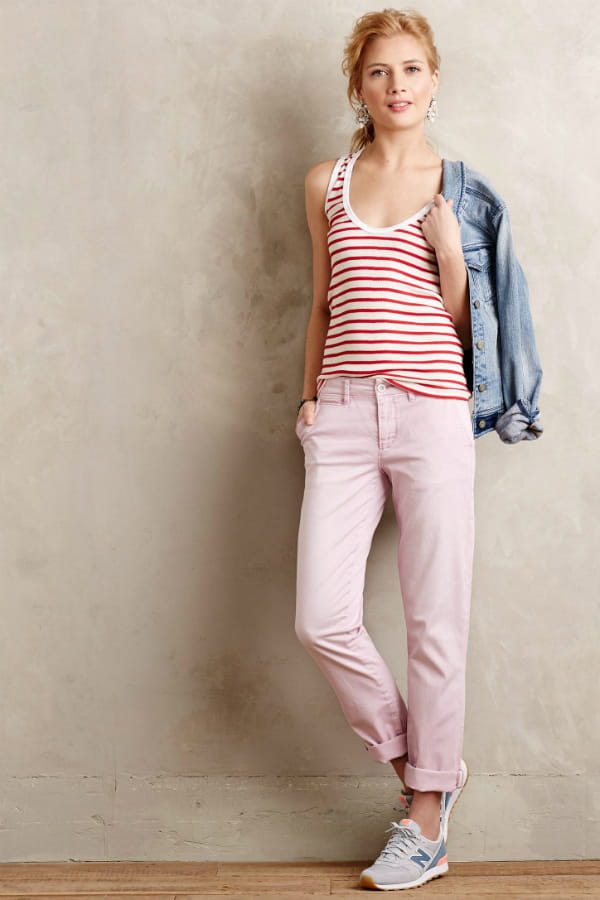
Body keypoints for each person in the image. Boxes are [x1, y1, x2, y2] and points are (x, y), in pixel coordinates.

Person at [293, 6, 543, 892]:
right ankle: (421, 767)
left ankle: (426, 823)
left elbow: (477, 335)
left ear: (434, 81)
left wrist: (450, 260)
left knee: (436, 617)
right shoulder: (326, 181)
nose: (395, 85)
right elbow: (323, 303)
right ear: (357, 87)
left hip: (433, 411)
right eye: (378, 71)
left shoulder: (460, 195)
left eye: (410, 69)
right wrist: (310, 401)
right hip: (342, 417)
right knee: (320, 619)